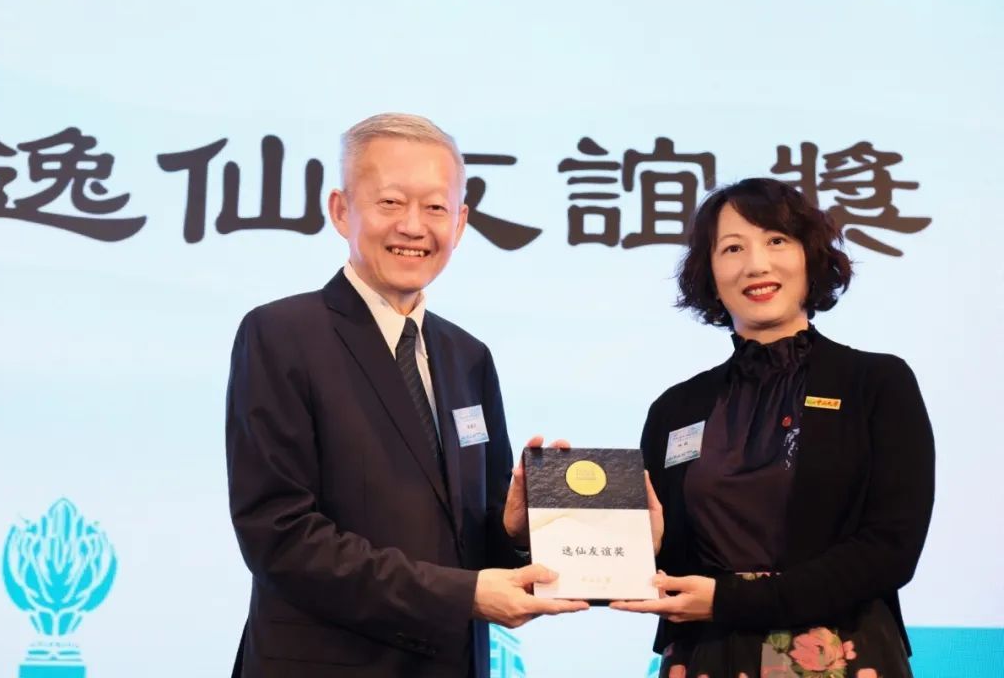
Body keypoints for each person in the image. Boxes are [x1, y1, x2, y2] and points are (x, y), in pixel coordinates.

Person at [225, 113, 586, 678]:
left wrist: (515, 530)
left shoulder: (468, 356)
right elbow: (281, 537)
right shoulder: (281, 335)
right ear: (341, 210)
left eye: (436, 207)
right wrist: (462, 595)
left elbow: (473, 542)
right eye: (391, 202)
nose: (414, 226)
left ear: (460, 223)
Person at [610, 178, 935, 678]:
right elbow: (660, 565)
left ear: (810, 256)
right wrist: (644, 548)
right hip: (707, 653)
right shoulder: (675, 408)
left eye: (776, 240)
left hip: (837, 651)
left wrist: (732, 600)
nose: (756, 265)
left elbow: (891, 549)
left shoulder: (876, 383)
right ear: (709, 272)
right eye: (732, 248)